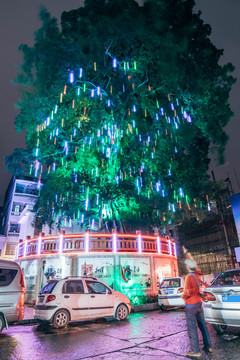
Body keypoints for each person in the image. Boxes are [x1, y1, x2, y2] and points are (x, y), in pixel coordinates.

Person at [182, 258, 212, 358]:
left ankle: (196, 351)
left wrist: (183, 297)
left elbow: (187, 293)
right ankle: (208, 346)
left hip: (191, 305)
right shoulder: (198, 275)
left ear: (188, 267)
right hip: (199, 303)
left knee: (192, 328)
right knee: (203, 325)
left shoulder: (189, 277)